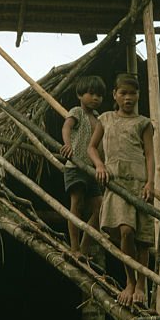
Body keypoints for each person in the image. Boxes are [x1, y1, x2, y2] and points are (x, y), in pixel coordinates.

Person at [88, 73, 155, 307]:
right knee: (125, 231)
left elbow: (149, 155)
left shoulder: (143, 123)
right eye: (123, 93)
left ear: (138, 96)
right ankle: (130, 280)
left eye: (133, 93)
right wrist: (99, 164)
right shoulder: (105, 119)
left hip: (139, 183)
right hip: (116, 183)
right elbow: (91, 148)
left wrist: (150, 183)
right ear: (114, 95)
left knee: (143, 240)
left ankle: (140, 286)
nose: (128, 98)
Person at [60, 75, 106, 257]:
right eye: (91, 93)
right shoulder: (76, 112)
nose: (96, 98)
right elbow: (66, 127)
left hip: (92, 170)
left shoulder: (99, 118)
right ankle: (74, 248)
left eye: (99, 95)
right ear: (80, 95)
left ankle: (85, 245)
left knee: (100, 208)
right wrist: (67, 144)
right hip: (75, 166)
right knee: (76, 203)